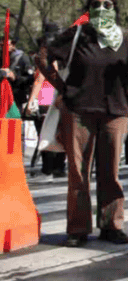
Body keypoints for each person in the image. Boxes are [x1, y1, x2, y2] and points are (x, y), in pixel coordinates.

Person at [35, 0, 128, 247]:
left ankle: (112, 226)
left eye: (107, 4)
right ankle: (77, 230)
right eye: (95, 4)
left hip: (116, 112)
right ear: (88, 9)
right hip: (78, 111)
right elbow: (43, 56)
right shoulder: (77, 34)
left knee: (111, 172)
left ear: (115, 9)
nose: (101, 9)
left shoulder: (127, 38)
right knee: (79, 173)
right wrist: (61, 87)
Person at [24, 24, 67, 177]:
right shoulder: (63, 59)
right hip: (59, 99)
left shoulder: (47, 60)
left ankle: (48, 167)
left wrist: (30, 102)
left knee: (45, 134)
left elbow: (40, 80)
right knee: (59, 133)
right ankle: (59, 166)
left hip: (45, 99)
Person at [1, 34, 35, 115]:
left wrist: (15, 77)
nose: (3, 47)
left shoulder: (23, 58)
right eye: (2, 45)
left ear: (13, 44)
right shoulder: (1, 58)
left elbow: (30, 79)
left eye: (6, 45)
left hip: (16, 99)